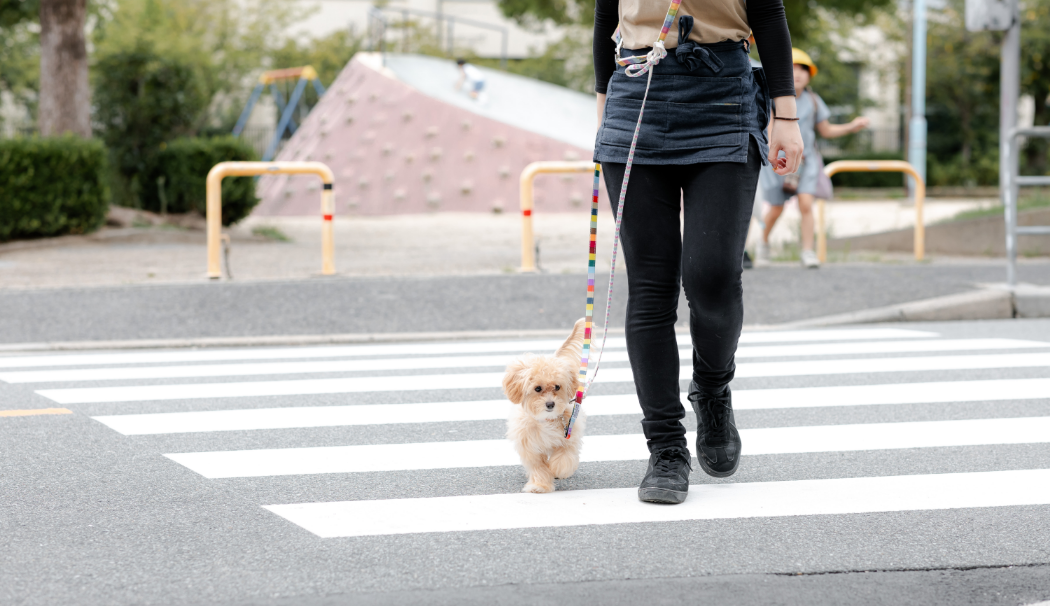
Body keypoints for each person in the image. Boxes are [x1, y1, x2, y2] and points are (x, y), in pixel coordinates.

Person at [593, 0, 803, 504]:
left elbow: (768, 14)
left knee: (712, 275)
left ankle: (711, 387)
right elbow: (606, 14)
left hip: (722, 96)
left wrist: (785, 113)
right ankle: (665, 447)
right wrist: (604, 106)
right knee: (649, 285)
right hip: (636, 91)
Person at [755, 48, 869, 268]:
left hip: (806, 162)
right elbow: (769, 130)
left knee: (806, 203)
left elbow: (825, 130)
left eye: (802, 69)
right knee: (776, 208)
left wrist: (852, 127)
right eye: (792, 68)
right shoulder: (771, 98)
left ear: (810, 75)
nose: (797, 74)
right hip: (778, 160)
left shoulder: (814, 100)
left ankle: (807, 251)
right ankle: (763, 242)